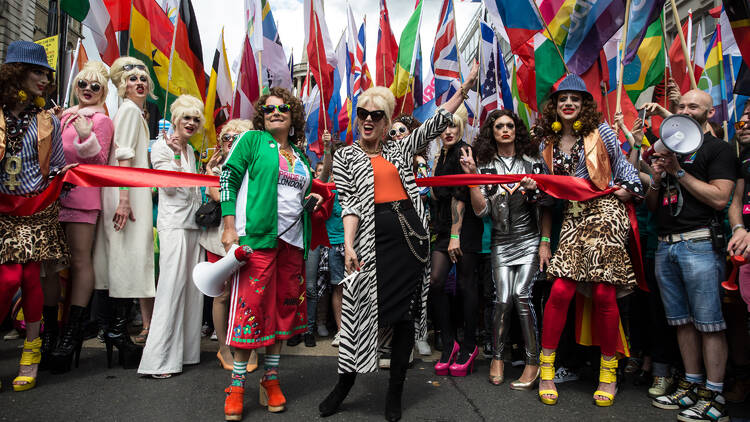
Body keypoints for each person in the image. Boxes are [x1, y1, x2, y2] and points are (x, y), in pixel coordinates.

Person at [318, 61, 479, 421]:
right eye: (363, 114)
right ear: (357, 118)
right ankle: (344, 385)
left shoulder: (400, 149)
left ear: (387, 121)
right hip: (370, 245)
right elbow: (348, 203)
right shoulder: (346, 156)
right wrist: (348, 244)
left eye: (377, 115)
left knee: (404, 317)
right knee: (358, 314)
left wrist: (464, 88)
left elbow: (439, 120)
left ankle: (396, 391)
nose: (369, 120)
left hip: (410, 241)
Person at [534, 74, 642, 407]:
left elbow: (627, 172)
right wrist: (533, 187)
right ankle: (547, 370)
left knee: (604, 292)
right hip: (574, 217)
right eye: (563, 98)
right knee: (561, 289)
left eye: (575, 99)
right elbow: (549, 195)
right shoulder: (546, 146)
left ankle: (608, 376)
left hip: (606, 212)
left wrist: (629, 188)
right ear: (555, 105)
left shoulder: (603, 132)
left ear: (584, 105)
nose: (569, 103)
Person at [220, 87, 322, 420]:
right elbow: (228, 178)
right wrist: (229, 225)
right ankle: (237, 386)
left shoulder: (303, 157)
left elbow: (306, 197)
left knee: (282, 313)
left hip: (292, 245)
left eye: (283, 108)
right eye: (268, 108)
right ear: (262, 115)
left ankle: (271, 379)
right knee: (250, 311)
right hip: (257, 241)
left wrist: (315, 202)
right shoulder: (251, 142)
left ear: (293, 117)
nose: (275, 111)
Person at [645, 90, 737, 422]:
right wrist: (658, 177)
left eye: (693, 106)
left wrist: (680, 173)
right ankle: (692, 384)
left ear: (709, 113)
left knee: (709, 323)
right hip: (667, 244)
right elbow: (653, 207)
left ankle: (715, 394)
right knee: (681, 323)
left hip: (699, 243)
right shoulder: (669, 150)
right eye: (681, 105)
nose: (685, 109)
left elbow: (718, 198)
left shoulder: (718, 150)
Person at [0, 40, 68, 391]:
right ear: (17, 73)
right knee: (5, 281)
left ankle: (31, 352)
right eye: (37, 72)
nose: (45, 79)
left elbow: (57, 164)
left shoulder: (47, 122)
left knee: (28, 279)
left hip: (34, 210)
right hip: (1, 211)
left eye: (47, 73)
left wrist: (63, 179)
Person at [459, 109, 545, 388]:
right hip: (500, 241)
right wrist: (472, 176)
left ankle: (534, 362)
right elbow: (481, 210)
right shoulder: (484, 167)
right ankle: (497, 357)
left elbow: (546, 204)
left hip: (529, 239)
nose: (505, 130)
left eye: (509, 125)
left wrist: (533, 191)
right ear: (492, 132)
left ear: (516, 129)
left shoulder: (533, 161)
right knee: (502, 299)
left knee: (522, 295)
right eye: (499, 126)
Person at [48, 61, 114, 373]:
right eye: (82, 85)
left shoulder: (102, 119)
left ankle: (71, 333)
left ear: (103, 92)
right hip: (51, 197)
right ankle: (50, 332)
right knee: (49, 263)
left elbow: (100, 161)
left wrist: (88, 136)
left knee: (79, 261)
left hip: (82, 197)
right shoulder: (63, 116)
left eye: (95, 86)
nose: (87, 90)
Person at [93, 56, 155, 369]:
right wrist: (125, 198)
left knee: (124, 258)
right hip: (128, 192)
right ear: (121, 86)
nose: (139, 82)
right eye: (132, 79)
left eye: (143, 78)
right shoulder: (130, 111)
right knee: (128, 258)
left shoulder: (130, 111)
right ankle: (119, 333)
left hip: (127, 190)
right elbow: (125, 156)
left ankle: (116, 331)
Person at [138, 94, 205, 378]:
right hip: (174, 225)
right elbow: (166, 186)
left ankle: (186, 353)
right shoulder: (163, 147)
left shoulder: (190, 149)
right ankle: (159, 360)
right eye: (186, 118)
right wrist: (175, 154)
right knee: (171, 288)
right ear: (175, 119)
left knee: (192, 291)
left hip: (193, 226)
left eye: (195, 119)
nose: (190, 123)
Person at [199, 118, 257, 372]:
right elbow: (217, 194)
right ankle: (223, 349)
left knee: (249, 294)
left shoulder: (254, 166)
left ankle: (250, 348)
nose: (230, 142)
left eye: (237, 138)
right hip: (219, 238)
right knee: (221, 295)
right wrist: (212, 172)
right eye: (226, 138)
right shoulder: (213, 169)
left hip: (249, 236)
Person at [430, 107, 484, 377]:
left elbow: (459, 195)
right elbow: (438, 194)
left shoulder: (465, 151)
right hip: (442, 228)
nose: (448, 131)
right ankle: (449, 342)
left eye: (453, 126)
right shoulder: (442, 154)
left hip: (464, 229)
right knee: (436, 282)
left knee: (466, 284)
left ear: (461, 128)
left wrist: (454, 235)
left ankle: (470, 345)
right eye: (444, 127)